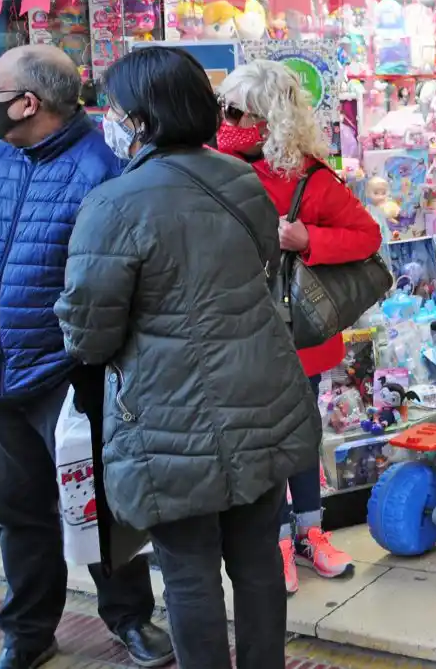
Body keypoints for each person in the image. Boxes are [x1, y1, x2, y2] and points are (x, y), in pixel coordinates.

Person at [54, 46, 325, 667]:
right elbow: (261, 271)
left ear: (142, 119)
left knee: (187, 574)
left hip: (166, 423)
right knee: (258, 562)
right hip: (260, 400)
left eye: (116, 108)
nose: (109, 119)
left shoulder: (111, 206)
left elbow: (89, 336)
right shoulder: (241, 181)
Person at [0, 45, 172, 669]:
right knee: (19, 516)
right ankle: (27, 631)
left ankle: (130, 620)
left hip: (64, 378)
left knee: (97, 508)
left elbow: (114, 285)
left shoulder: (100, 170)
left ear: (29, 102)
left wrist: (87, 364)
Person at [216, 59, 382, 593]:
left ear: (266, 118)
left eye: (235, 109)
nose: (225, 119)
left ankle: (308, 534)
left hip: (292, 335)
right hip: (231, 332)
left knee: (300, 434)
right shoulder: (207, 165)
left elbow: (367, 236)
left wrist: (309, 240)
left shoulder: (307, 176)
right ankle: (273, 541)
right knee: (256, 443)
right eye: (224, 108)